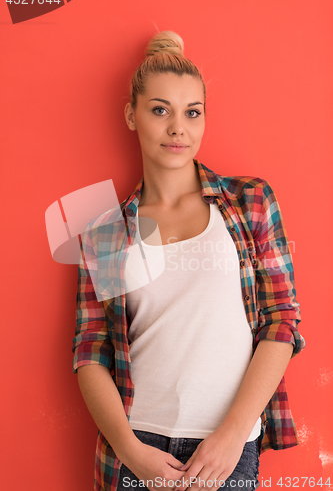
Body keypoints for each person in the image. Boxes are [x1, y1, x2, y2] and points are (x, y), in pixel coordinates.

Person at [72, 31, 305, 491]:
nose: (179, 127)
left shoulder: (251, 202)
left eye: (192, 112)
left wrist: (235, 433)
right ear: (132, 115)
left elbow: (281, 321)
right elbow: (89, 350)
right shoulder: (103, 230)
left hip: (225, 448)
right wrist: (129, 449)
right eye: (160, 110)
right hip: (138, 446)